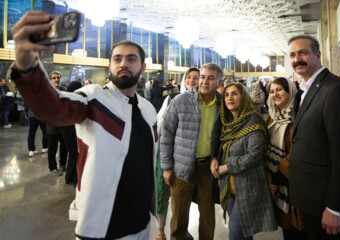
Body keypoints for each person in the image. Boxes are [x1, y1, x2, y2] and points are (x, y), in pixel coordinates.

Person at [10, 11, 158, 240]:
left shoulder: (148, 110)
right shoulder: (94, 98)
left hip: (142, 223)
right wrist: (26, 64)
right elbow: (53, 108)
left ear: (143, 67)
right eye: (117, 59)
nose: (123, 64)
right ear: (109, 66)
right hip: (102, 227)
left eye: (131, 58)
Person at [288, 35, 340, 240]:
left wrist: (335, 208)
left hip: (327, 204)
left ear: (317, 55)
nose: (296, 59)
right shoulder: (303, 91)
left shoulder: (337, 90)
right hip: (310, 199)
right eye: (292, 55)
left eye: (303, 53)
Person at [161, 63, 222, 240]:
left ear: (219, 81)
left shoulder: (221, 105)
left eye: (211, 78)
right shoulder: (181, 101)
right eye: (203, 77)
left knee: (207, 217)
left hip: (207, 169)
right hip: (181, 168)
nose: (204, 81)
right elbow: (166, 135)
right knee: (179, 218)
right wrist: (167, 167)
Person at [210, 83, 277, 240]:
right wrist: (215, 159)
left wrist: (227, 167)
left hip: (248, 187)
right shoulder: (228, 124)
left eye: (234, 94)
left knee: (235, 232)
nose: (229, 98)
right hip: (230, 188)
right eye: (226, 95)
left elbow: (254, 155)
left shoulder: (254, 121)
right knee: (245, 234)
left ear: (243, 97)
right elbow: (224, 148)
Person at [155, 67, 200, 240]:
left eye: (196, 78)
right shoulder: (172, 98)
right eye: (189, 77)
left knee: (180, 197)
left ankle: (182, 229)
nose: (192, 81)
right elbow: (161, 125)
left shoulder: (202, 101)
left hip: (186, 157)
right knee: (163, 192)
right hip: (167, 152)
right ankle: (160, 232)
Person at [265, 77, 307, 240]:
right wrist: (268, 176)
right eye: (272, 91)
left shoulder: (298, 117)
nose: (275, 94)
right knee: (287, 229)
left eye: (280, 90)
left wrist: (276, 179)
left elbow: (299, 152)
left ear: (290, 91)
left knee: (298, 229)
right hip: (277, 183)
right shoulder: (272, 117)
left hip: (295, 185)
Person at [46, 71, 68, 176]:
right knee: (52, 147)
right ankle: (52, 167)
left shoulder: (65, 91)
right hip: (52, 125)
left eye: (58, 77)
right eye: (54, 78)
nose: (56, 79)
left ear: (61, 79)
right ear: (51, 80)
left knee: (64, 146)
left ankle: (63, 165)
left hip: (64, 124)